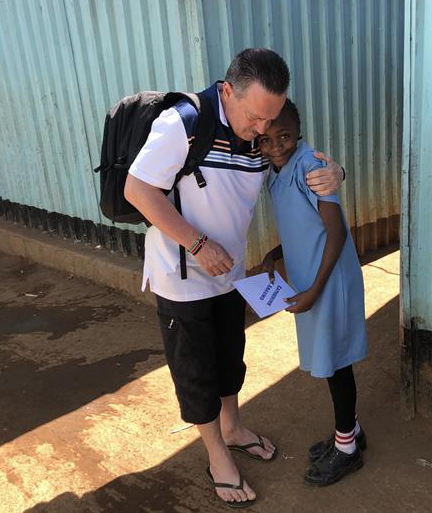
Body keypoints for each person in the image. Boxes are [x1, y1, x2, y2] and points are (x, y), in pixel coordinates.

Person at [124, 48, 344, 507]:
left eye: (270, 119)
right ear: (227, 91)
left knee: (230, 357)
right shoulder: (183, 124)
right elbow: (137, 189)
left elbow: (296, 163)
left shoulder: (258, 137)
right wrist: (198, 245)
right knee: (196, 370)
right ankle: (216, 454)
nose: (262, 130)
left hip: (230, 275)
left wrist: (336, 172)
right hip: (182, 276)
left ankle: (233, 427)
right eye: (254, 117)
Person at [259, 100, 367, 486]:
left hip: (329, 280)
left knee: (335, 364)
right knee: (331, 359)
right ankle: (351, 431)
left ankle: (347, 450)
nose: (276, 146)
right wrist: (276, 254)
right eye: (266, 139)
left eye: (284, 136)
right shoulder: (275, 173)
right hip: (311, 280)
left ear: (298, 132)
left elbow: (335, 233)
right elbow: (305, 226)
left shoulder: (310, 166)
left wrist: (314, 291)